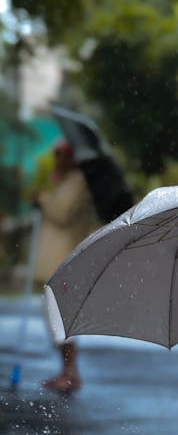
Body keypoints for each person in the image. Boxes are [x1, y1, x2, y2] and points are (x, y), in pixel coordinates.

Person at [33, 140, 100, 393]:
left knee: (61, 321)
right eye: (56, 155)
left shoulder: (79, 182)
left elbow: (61, 212)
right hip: (55, 263)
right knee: (55, 321)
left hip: (64, 263)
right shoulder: (65, 181)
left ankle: (71, 373)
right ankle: (66, 371)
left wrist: (43, 197)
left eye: (62, 155)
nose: (58, 159)